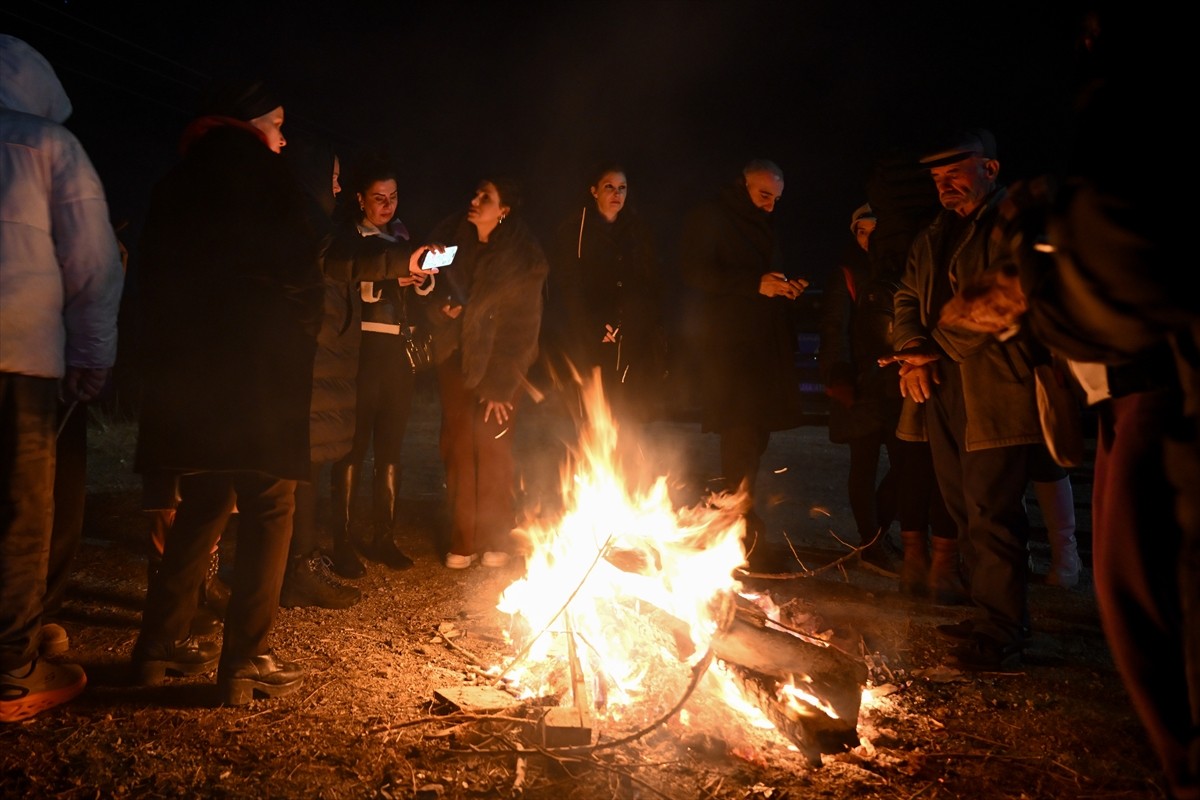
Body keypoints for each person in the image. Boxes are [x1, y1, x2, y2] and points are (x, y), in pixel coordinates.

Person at [937, 9, 1196, 795]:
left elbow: (1122, 261)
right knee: (1144, 609)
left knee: (1155, 603)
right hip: (1138, 396)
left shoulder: (1134, 113)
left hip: (1161, 396)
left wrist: (1040, 248)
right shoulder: (1110, 124)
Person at [130, 76, 324, 705]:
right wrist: (299, 333)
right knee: (270, 504)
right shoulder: (273, 182)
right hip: (260, 377)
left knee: (205, 498)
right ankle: (246, 660)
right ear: (248, 123)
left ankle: (156, 650)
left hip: (192, 381)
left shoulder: (172, 184)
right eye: (277, 123)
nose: (284, 136)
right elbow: (306, 268)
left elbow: (148, 286)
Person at [884, 128, 1042, 670]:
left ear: (990, 170)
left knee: (992, 510)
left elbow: (1014, 290)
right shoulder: (934, 233)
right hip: (945, 390)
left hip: (996, 388)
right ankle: (986, 615)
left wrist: (936, 346)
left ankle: (1003, 629)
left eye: (955, 173)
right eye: (936, 178)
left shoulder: (1011, 222)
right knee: (961, 509)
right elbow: (906, 294)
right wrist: (910, 344)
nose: (944, 185)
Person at [0, 34, 124, 722]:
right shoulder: (49, 147)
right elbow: (93, 267)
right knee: (20, 517)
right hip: (23, 360)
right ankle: (13, 673)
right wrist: (92, 358)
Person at [679, 159, 809, 566]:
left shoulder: (763, 224)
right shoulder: (713, 216)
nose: (770, 206)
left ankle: (741, 536)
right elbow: (695, 271)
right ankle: (740, 541)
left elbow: (766, 275)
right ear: (743, 186)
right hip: (731, 352)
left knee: (755, 443)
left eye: (776, 199)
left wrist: (787, 286)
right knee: (739, 441)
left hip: (765, 349)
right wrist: (754, 284)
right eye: (763, 195)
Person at [316, 161, 436, 580]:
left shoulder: (401, 235)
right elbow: (355, 286)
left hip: (397, 349)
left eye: (394, 196)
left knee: (391, 446)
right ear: (360, 199)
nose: (387, 205)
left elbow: (417, 288)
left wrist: (421, 279)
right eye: (379, 198)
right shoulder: (350, 239)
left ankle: (384, 537)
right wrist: (393, 278)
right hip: (362, 347)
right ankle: (342, 542)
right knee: (352, 446)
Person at [424, 176, 549, 569]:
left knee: (494, 447)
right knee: (458, 445)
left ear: (504, 210)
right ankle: (463, 540)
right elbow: (423, 283)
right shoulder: (450, 240)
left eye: (486, 197)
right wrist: (439, 309)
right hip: (456, 358)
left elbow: (523, 326)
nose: (475, 200)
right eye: (476, 193)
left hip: (501, 365)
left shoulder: (524, 256)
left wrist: (500, 385)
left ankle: (495, 536)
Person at [863, 147, 963, 605]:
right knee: (914, 465)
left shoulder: (964, 231)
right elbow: (905, 296)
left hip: (958, 369)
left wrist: (928, 351)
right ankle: (916, 563)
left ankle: (943, 566)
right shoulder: (924, 235)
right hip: (917, 369)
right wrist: (910, 348)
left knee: (949, 471)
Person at [548, 161, 666, 433]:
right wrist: (594, 324)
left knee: (628, 416)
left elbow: (649, 283)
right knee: (593, 415)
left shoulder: (637, 231)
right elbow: (568, 285)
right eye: (609, 187)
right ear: (594, 191)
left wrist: (631, 322)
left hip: (629, 338)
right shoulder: (573, 232)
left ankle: (625, 472)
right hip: (589, 336)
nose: (617, 194)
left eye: (622, 188)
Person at [818, 203, 903, 576]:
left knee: (906, 465)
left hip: (897, 384)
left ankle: (878, 535)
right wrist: (839, 376)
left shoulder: (900, 273)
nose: (869, 238)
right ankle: (871, 542)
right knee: (864, 465)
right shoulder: (848, 274)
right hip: (861, 386)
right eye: (862, 231)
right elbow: (835, 329)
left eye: (875, 231)